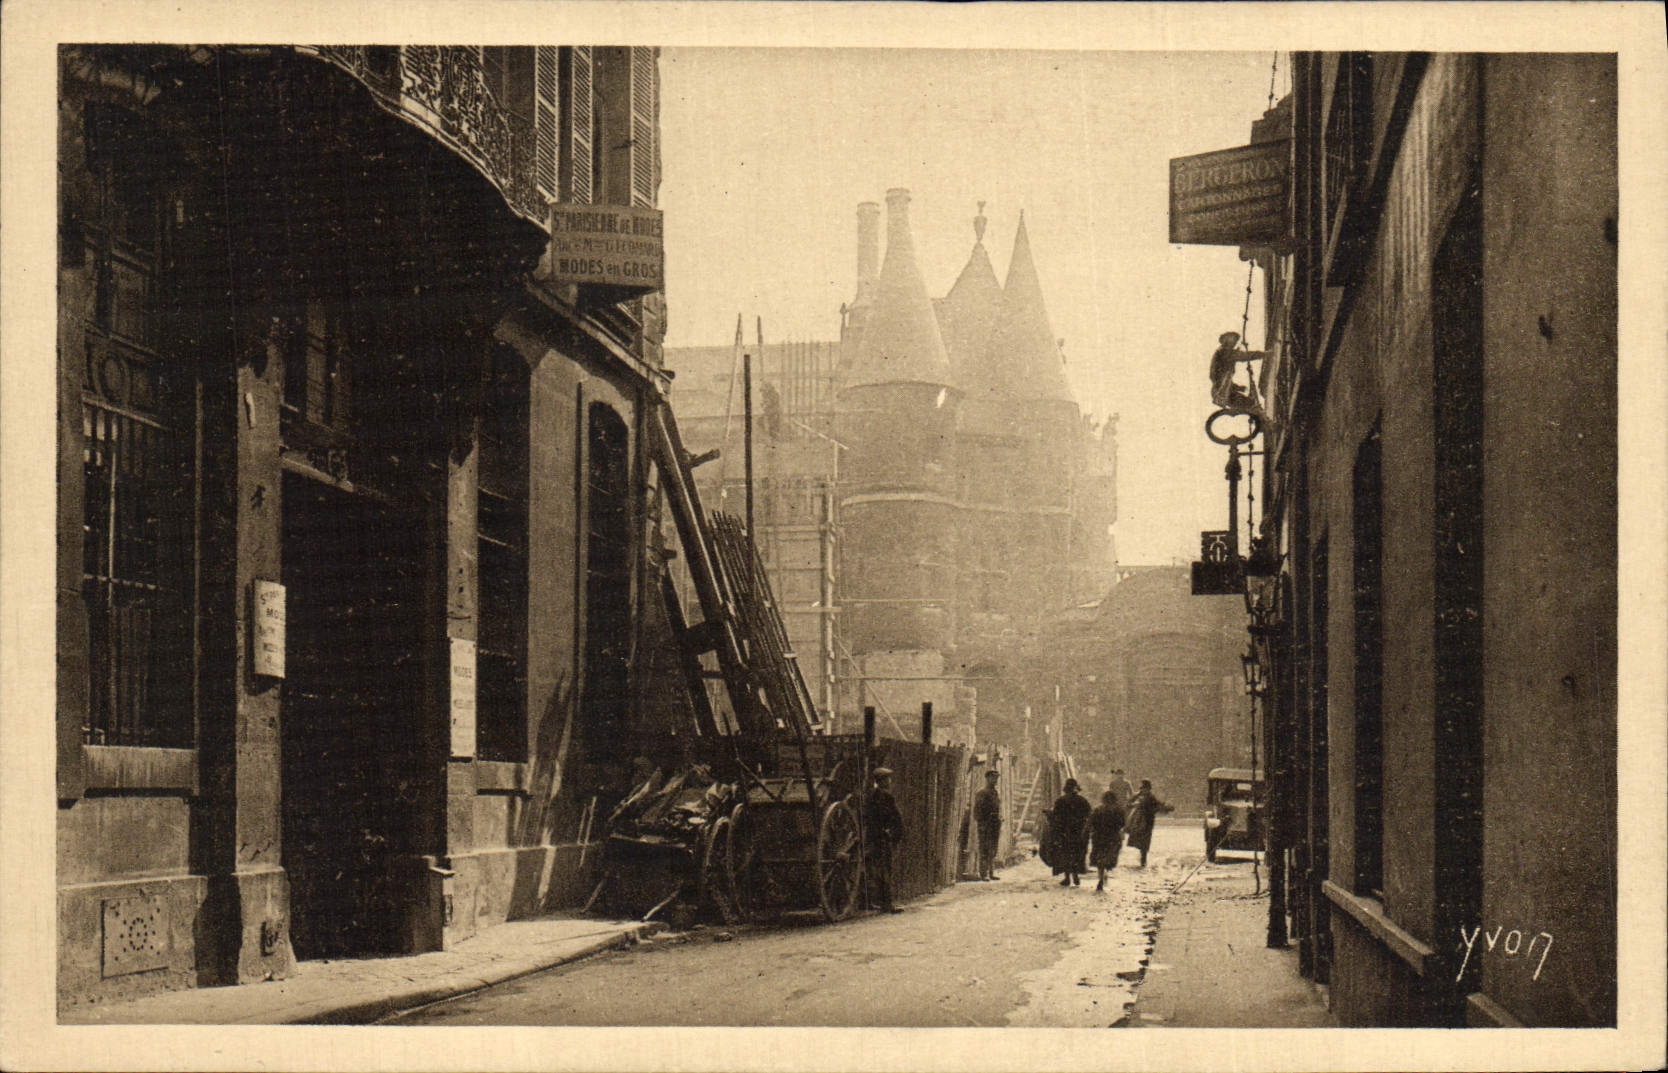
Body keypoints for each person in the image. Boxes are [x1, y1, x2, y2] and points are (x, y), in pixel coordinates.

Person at [865, 767, 906, 912]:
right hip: (882, 837)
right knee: (885, 870)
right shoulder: (887, 797)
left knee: (871, 869)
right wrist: (893, 833)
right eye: (888, 779)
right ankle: (887, 904)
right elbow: (894, 817)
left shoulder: (871, 796)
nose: (890, 781)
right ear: (882, 781)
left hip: (871, 836)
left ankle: (869, 902)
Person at [1209, 331, 1268, 420]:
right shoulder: (1224, 352)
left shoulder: (1222, 352)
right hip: (1222, 393)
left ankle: (1260, 422)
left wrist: (1237, 387)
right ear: (1226, 340)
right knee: (1250, 404)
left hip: (1223, 392)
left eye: (1236, 340)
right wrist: (1265, 354)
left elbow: (1221, 379)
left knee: (1249, 403)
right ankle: (1263, 422)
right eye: (1233, 339)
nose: (1235, 342)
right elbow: (1243, 356)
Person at [1048, 778, 1091, 887]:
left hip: (1064, 831)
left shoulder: (1060, 801)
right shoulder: (1082, 800)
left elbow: (1055, 816)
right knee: (1077, 853)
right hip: (1078, 831)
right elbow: (1089, 814)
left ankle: (1067, 878)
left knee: (1065, 853)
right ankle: (1076, 875)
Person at [1124, 779, 1174, 868]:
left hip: (1147, 822)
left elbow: (1158, 806)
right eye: (1142, 788)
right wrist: (1136, 802)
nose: (1143, 790)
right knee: (1141, 843)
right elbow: (1128, 804)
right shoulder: (1138, 796)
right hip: (1139, 822)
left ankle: (1143, 861)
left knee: (1144, 844)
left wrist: (1166, 808)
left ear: (1148, 789)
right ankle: (1142, 861)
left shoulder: (1151, 797)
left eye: (1145, 788)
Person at [1088, 790, 1127, 892]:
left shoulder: (1098, 809)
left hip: (1099, 837)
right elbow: (1122, 824)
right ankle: (1105, 871)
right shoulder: (1119, 810)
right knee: (1109, 856)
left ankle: (1101, 877)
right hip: (1113, 837)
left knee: (1099, 858)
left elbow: (1091, 822)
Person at [972, 769, 1003, 880]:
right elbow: (977, 811)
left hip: (994, 823)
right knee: (984, 848)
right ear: (987, 778)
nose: (995, 780)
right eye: (993, 777)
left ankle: (991, 872)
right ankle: (983, 873)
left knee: (993, 848)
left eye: (997, 778)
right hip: (985, 824)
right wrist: (982, 824)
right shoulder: (982, 793)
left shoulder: (995, 792)